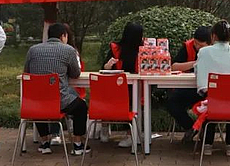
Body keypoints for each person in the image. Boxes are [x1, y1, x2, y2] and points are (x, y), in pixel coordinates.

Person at [23, 23, 90, 156]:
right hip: (60, 101)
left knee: (39, 102)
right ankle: (77, 144)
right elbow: (75, 74)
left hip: (35, 102)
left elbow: (27, 72)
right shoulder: (68, 50)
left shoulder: (32, 50)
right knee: (81, 106)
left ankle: (44, 142)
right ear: (63, 36)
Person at [194, 20, 230, 156]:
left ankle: (207, 144)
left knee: (212, 100)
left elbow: (197, 70)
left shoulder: (204, 52)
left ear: (213, 36)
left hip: (211, 99)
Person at [166, 26, 213, 142]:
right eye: (196, 43)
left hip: (209, 90)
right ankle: (191, 127)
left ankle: (207, 138)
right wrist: (196, 63)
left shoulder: (216, 50)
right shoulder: (188, 46)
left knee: (213, 105)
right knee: (171, 102)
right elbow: (173, 66)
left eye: (201, 45)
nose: (197, 47)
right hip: (189, 88)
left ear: (210, 44)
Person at [103, 22, 144, 148]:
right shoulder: (116, 49)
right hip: (117, 88)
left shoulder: (144, 50)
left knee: (132, 100)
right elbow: (104, 68)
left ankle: (130, 134)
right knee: (124, 99)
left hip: (134, 88)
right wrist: (109, 65)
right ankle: (107, 127)